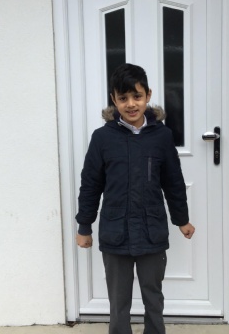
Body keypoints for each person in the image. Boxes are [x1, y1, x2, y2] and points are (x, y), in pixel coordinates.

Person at [76, 63, 195, 334]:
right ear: (114, 99)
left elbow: (173, 182)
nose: (131, 104)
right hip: (115, 231)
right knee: (118, 299)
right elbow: (90, 185)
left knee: (153, 295)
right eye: (123, 98)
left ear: (148, 95)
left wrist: (182, 220)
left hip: (152, 231)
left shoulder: (162, 136)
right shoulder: (102, 138)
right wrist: (84, 226)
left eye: (137, 96)